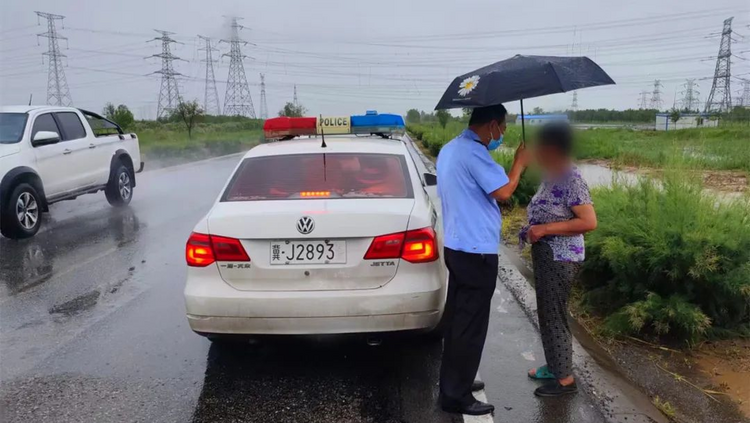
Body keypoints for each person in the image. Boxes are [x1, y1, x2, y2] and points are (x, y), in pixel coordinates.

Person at [436, 103, 530, 416]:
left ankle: (454, 382)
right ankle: (456, 395)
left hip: (457, 245)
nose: (502, 134)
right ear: (491, 125)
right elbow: (504, 192)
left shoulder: (451, 149)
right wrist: (519, 163)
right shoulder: (474, 153)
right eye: (502, 128)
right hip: (475, 251)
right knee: (470, 325)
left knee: (458, 321)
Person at [520, 122, 597, 397]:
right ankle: (555, 366)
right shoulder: (552, 175)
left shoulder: (570, 178)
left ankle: (565, 380)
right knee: (546, 311)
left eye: (540, 145)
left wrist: (544, 229)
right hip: (547, 254)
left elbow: (589, 221)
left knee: (554, 315)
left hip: (561, 256)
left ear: (553, 148)